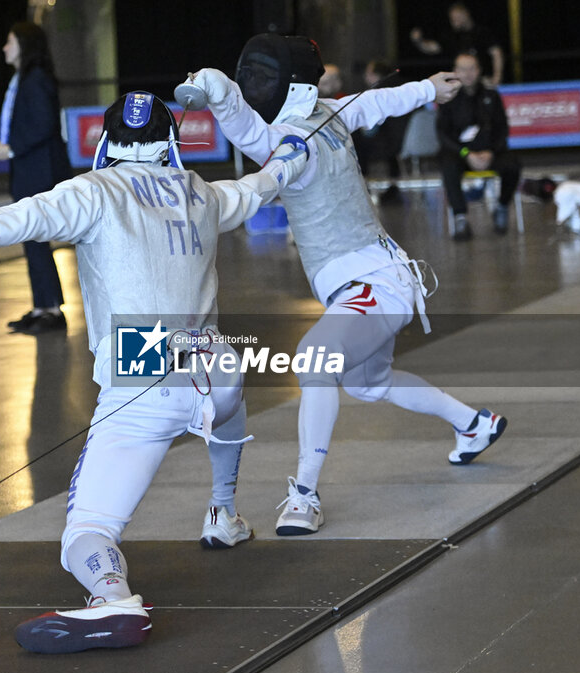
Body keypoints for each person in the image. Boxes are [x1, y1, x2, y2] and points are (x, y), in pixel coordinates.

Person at [0, 91, 309, 653]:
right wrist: (292, 154)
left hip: (143, 367)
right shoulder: (200, 191)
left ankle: (113, 597)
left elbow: (22, 215)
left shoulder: (92, 192)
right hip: (217, 367)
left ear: (106, 142)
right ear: (169, 140)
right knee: (227, 388)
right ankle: (223, 511)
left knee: (85, 533)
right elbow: (261, 186)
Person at [187, 34, 507, 537]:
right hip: (380, 277)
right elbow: (377, 100)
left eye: (260, 79)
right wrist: (427, 87)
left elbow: (246, 128)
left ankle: (305, 495)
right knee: (368, 383)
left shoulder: (291, 139)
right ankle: (474, 424)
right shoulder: (330, 113)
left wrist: (218, 91)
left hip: (374, 282)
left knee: (315, 358)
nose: (255, 87)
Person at [0, 22, 71, 334]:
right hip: (30, 166)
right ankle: (43, 306)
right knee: (32, 239)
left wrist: (11, 149)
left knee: (35, 238)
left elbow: (44, 124)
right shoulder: (25, 79)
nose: (5, 48)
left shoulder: (35, 80)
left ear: (24, 44)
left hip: (38, 169)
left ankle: (51, 310)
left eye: (9, 42)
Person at [436, 50, 521, 240]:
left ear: (479, 70)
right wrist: (467, 154)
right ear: (455, 71)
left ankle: (502, 206)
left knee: (513, 164)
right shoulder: (447, 98)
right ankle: (460, 218)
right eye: (462, 69)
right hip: (462, 154)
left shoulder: (491, 95)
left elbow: (502, 129)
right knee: (447, 164)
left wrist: (491, 152)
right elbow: (443, 134)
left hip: (489, 152)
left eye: (472, 68)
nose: (467, 73)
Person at [352, 59, 410, 203]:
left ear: (376, 75)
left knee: (355, 137)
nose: (366, 78)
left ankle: (363, 181)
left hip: (390, 143)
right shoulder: (404, 87)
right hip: (410, 138)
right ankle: (391, 183)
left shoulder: (378, 93)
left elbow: (371, 125)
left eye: (368, 74)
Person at [410, 2, 505, 87]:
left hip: (481, 81)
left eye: (457, 18)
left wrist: (497, 77)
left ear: (466, 14)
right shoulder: (451, 35)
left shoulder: (482, 33)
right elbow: (432, 48)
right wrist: (419, 41)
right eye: (452, 19)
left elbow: (497, 54)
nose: (454, 21)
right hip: (459, 83)